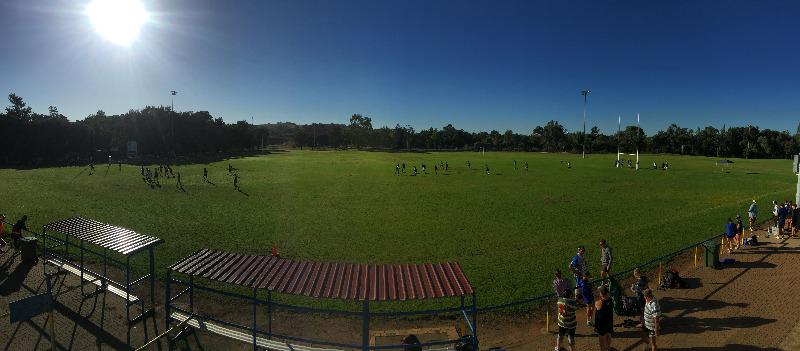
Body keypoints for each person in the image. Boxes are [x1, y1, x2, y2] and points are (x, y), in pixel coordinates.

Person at [594, 286, 613, 351]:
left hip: (601, 323)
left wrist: (597, 297)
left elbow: (596, 304)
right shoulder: (610, 300)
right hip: (609, 321)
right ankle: (608, 348)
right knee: (608, 334)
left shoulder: (600, 302)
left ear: (601, 294)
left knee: (602, 338)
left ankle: (603, 349)